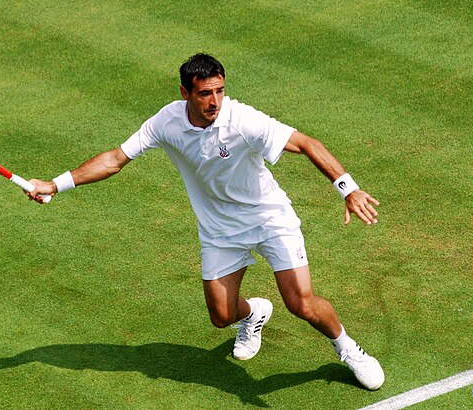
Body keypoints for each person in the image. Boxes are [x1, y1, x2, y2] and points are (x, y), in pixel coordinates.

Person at [27, 53, 385, 390]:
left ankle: (348, 348)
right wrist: (56, 184)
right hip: (220, 231)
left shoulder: (242, 119)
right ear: (185, 93)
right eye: (205, 93)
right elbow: (115, 160)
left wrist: (348, 190)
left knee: (301, 303)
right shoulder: (166, 122)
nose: (214, 101)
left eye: (220, 91)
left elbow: (307, 143)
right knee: (221, 316)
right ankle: (255, 312)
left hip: (269, 219)